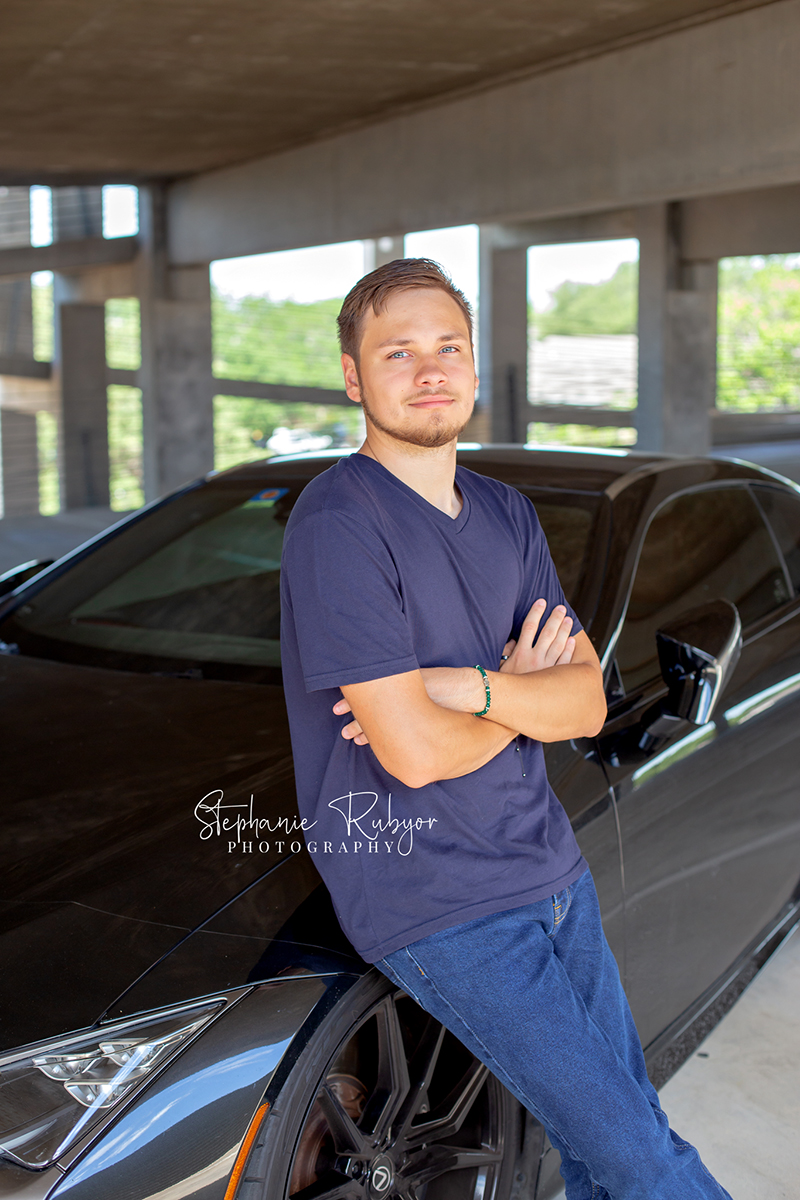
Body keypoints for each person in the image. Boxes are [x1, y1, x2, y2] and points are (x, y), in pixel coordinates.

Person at [279, 257, 732, 1200]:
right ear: (355, 378)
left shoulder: (504, 512)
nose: (430, 368)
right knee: (647, 1161)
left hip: (551, 869)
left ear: (476, 367)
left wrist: (460, 686)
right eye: (397, 351)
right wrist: (513, 691)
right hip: (438, 898)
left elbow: (586, 704)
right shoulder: (339, 521)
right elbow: (411, 753)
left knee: (615, 1142)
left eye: (450, 346)